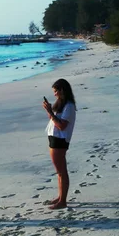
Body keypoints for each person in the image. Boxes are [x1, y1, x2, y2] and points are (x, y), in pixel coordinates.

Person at [42, 78, 77, 209]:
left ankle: (63, 201)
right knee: (59, 172)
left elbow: (62, 125)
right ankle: (61, 196)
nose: (55, 94)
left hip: (60, 140)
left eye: (56, 91)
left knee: (61, 171)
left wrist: (50, 112)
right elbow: (54, 120)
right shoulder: (62, 103)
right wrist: (49, 111)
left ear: (62, 90)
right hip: (54, 138)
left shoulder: (69, 106)